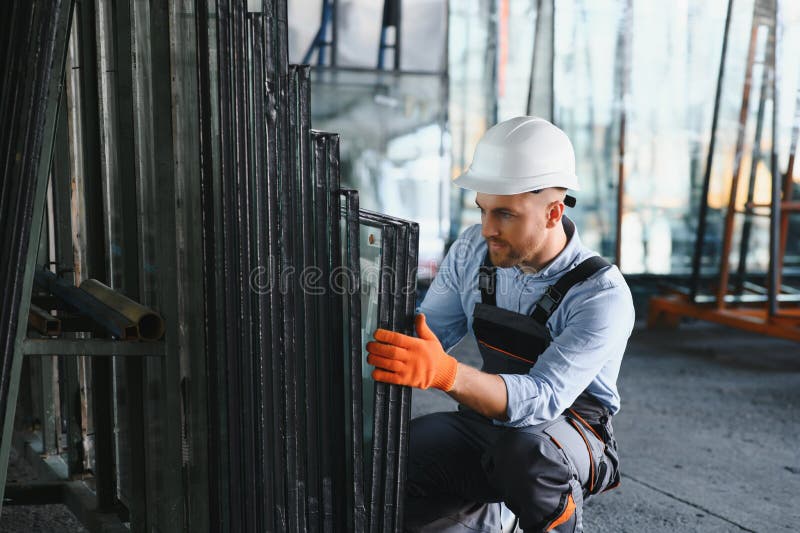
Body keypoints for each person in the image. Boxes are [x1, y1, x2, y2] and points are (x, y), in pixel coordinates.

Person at [366, 116, 635, 532]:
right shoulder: (473, 250)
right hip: (488, 423)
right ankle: (490, 520)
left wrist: (445, 373)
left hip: (572, 436)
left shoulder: (600, 294)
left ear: (552, 213)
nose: (487, 228)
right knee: (396, 452)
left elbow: (544, 398)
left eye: (505, 214)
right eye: (483, 210)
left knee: (527, 456)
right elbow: (427, 331)